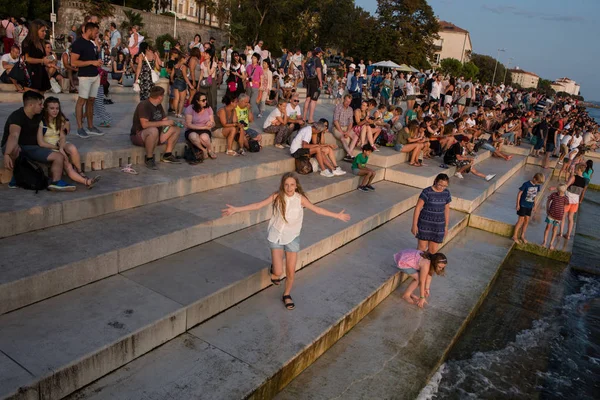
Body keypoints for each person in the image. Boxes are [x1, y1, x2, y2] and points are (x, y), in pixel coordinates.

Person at [221, 172, 351, 310]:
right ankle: (275, 270)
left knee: (290, 271)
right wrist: (236, 209)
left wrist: (337, 215)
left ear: (296, 186)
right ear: (283, 185)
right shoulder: (277, 196)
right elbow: (258, 205)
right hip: (276, 235)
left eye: (292, 185)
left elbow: (317, 209)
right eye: (287, 185)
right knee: (277, 272)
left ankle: (287, 294)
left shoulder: (300, 199)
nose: (289, 188)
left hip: (292, 238)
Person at [2, 91, 75, 191]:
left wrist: (66, 121)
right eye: (40, 104)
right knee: (15, 148)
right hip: (14, 145)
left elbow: (57, 115)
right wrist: (6, 154)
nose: (42, 107)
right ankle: (15, 179)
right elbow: (13, 136)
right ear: (31, 105)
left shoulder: (39, 114)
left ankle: (55, 182)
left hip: (32, 147)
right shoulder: (17, 116)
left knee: (58, 157)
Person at [36, 97, 100, 188]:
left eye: (57, 108)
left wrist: (61, 148)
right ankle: (86, 182)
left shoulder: (59, 119)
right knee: (67, 164)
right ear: (46, 109)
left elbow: (62, 137)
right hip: (49, 147)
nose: (55, 111)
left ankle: (79, 171)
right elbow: (41, 143)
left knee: (72, 148)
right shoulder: (42, 122)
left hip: (59, 144)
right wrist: (58, 149)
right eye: (52, 108)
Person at [130, 86, 181, 169]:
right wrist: (164, 122)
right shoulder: (144, 105)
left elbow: (165, 120)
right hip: (139, 134)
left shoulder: (158, 105)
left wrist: (173, 123)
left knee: (176, 129)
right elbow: (144, 125)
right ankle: (149, 158)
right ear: (160, 97)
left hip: (157, 134)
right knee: (153, 131)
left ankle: (167, 155)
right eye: (163, 95)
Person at [70, 22, 103, 138]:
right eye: (96, 32)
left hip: (94, 75)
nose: (97, 35)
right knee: (81, 101)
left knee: (91, 101)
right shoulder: (78, 43)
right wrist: (92, 62)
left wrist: (97, 62)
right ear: (89, 31)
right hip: (85, 76)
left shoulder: (91, 43)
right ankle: (80, 128)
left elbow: (92, 58)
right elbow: (73, 62)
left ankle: (90, 126)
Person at [412, 174, 451, 254]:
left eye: (445, 186)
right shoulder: (427, 192)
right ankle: (419, 265)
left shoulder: (446, 193)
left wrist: (446, 226)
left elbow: (447, 209)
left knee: (433, 250)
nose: (442, 188)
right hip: (425, 224)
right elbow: (418, 208)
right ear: (435, 181)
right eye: (440, 185)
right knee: (421, 248)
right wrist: (414, 225)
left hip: (438, 225)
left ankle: (429, 266)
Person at [512, 172, 545, 244]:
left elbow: (535, 196)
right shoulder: (526, 184)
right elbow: (519, 194)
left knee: (527, 220)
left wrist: (535, 205)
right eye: (537, 182)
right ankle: (515, 236)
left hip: (530, 205)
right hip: (523, 205)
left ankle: (522, 235)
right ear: (534, 178)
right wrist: (518, 204)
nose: (538, 184)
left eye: (539, 183)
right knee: (521, 220)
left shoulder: (537, 186)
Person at [184, 91, 217, 160]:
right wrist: (202, 127)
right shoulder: (190, 108)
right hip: (192, 129)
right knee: (193, 136)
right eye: (203, 100)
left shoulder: (208, 108)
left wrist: (211, 123)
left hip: (205, 129)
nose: (205, 102)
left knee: (204, 137)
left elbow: (213, 123)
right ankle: (203, 150)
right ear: (197, 101)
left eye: (206, 100)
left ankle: (209, 150)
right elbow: (188, 124)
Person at [22, 19, 52, 94]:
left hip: (41, 71)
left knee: (40, 99)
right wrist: (42, 61)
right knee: (33, 98)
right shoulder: (28, 42)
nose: (44, 33)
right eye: (42, 31)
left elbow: (42, 57)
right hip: (31, 72)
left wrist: (48, 61)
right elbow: (27, 59)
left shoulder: (41, 42)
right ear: (35, 31)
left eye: (45, 31)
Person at [561, 164, 586, 240]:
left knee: (563, 216)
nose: (574, 169)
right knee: (571, 218)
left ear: (578, 169)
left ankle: (561, 233)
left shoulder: (573, 177)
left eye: (575, 168)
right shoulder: (584, 180)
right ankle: (568, 235)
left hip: (568, 199)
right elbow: (582, 191)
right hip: (576, 201)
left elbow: (565, 186)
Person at [332, 94, 358, 161]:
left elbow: (351, 122)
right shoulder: (338, 107)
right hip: (337, 127)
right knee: (342, 138)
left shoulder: (350, 109)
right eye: (346, 101)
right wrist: (341, 131)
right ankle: (351, 155)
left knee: (355, 137)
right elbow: (335, 121)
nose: (347, 103)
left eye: (349, 102)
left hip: (346, 127)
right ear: (343, 99)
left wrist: (348, 131)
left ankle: (348, 155)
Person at [542, 184, 569, 250]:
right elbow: (548, 200)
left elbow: (565, 208)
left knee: (555, 229)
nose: (559, 193)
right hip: (551, 214)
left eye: (561, 192)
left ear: (564, 192)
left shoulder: (565, 198)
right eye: (558, 191)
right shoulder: (554, 194)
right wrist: (547, 208)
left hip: (558, 217)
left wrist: (563, 216)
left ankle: (551, 243)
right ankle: (544, 241)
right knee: (548, 227)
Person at [303, 47, 324, 124]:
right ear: (318, 53)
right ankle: (310, 118)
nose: (322, 54)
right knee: (313, 100)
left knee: (307, 99)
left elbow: (305, 70)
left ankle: (304, 117)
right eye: (321, 53)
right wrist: (321, 82)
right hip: (315, 81)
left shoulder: (309, 59)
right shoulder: (317, 60)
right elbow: (318, 71)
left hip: (308, 81)